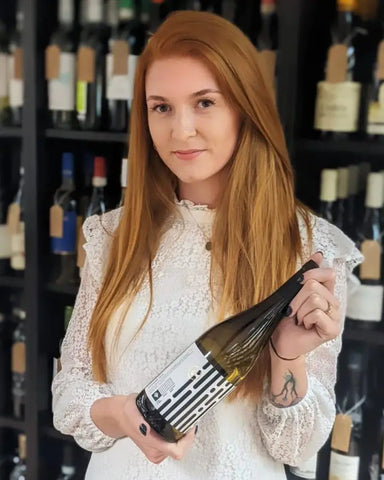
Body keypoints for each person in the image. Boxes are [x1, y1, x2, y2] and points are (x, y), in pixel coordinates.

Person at [52, 10, 362, 480]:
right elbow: (70, 392)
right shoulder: (112, 238)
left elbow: (297, 445)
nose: (181, 131)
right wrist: (126, 416)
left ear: (245, 107)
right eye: (162, 107)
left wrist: (287, 354)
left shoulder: (309, 251)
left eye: (204, 103)